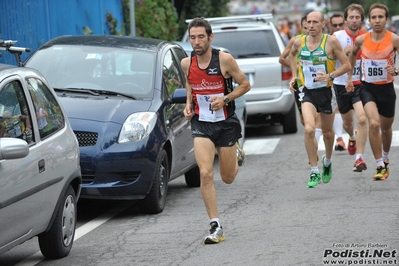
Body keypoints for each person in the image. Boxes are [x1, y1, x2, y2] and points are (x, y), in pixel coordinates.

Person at [180, 17, 250, 244]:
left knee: (227, 178)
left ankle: (235, 151)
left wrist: (226, 98)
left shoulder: (224, 60)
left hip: (225, 123)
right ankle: (215, 225)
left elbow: (245, 84)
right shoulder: (186, 62)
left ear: (210, 37)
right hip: (201, 123)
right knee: (205, 173)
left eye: (201, 37)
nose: (197, 42)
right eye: (193, 38)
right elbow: (190, 83)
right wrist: (188, 104)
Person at [289, 11, 351, 188]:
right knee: (309, 129)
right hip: (307, 91)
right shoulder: (299, 41)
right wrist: (294, 76)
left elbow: (346, 65)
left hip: (326, 92)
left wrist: (330, 75)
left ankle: (327, 162)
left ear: (323, 24)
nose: (311, 25)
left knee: (328, 133)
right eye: (308, 22)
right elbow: (291, 56)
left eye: (315, 22)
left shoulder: (330, 41)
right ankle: (314, 170)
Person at [346, 3, 399, 181]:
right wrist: (349, 76)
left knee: (386, 129)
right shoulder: (361, 40)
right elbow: (353, 54)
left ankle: (385, 158)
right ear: (369, 20)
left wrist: (396, 71)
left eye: (380, 17)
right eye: (374, 17)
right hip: (367, 87)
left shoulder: (394, 39)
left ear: (386, 19)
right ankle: (379, 164)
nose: (377, 20)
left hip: (386, 89)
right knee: (373, 124)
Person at [279, 16, 322, 162]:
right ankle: (312, 144)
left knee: (316, 118)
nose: (308, 28)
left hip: (317, 83)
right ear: (302, 27)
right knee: (305, 120)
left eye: (311, 24)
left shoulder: (320, 41)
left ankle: (314, 150)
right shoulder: (296, 41)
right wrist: (297, 69)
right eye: (305, 26)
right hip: (300, 82)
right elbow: (282, 58)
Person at [333, 4, 368, 172]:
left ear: (361, 19)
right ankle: (352, 137)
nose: (354, 21)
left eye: (357, 17)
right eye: (351, 17)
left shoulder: (366, 36)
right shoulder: (337, 36)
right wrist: (342, 53)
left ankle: (359, 158)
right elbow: (329, 57)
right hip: (341, 85)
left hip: (361, 84)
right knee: (348, 123)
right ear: (346, 19)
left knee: (362, 119)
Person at [329, 13, 347, 151]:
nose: (338, 27)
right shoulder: (327, 41)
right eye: (334, 25)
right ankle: (340, 139)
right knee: (337, 109)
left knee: (350, 118)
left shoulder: (352, 38)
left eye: (340, 24)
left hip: (355, 80)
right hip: (334, 80)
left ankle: (352, 134)